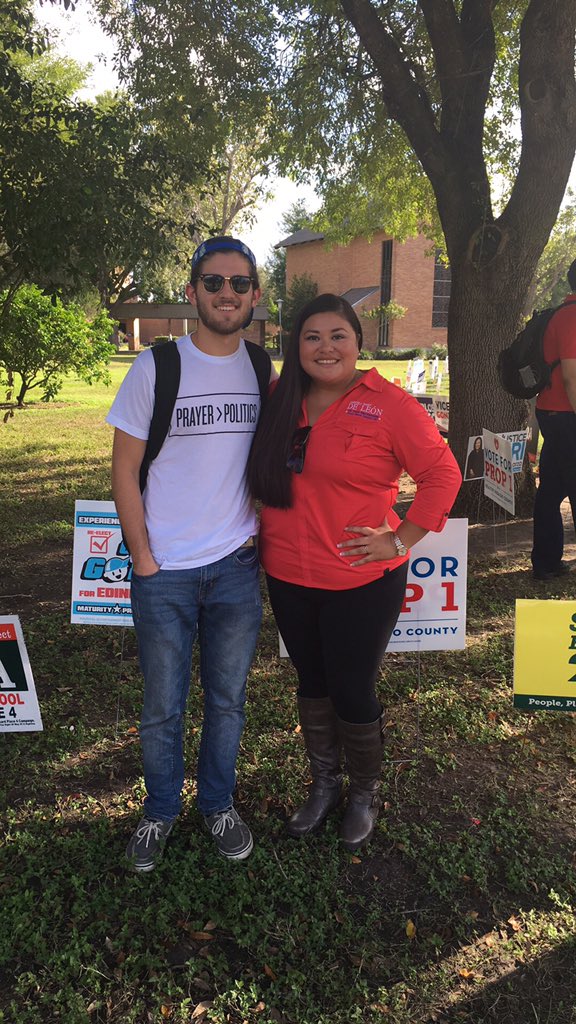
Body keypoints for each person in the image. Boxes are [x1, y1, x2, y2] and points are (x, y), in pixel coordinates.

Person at [247, 294, 462, 851]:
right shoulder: (280, 399)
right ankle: (324, 785)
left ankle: (362, 793)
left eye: (337, 335)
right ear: (296, 346)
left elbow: (442, 474)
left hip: (360, 581)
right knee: (312, 684)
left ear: (358, 343)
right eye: (312, 336)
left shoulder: (388, 404)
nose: (325, 347)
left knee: (351, 690)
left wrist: (399, 537)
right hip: (288, 574)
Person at [107, 236, 274, 872]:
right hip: (164, 570)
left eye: (238, 284)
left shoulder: (262, 371)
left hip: (235, 567)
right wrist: (143, 556)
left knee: (227, 700)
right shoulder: (156, 368)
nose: (226, 293)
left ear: (255, 296)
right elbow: (124, 471)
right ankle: (158, 810)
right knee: (162, 703)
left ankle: (217, 804)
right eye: (213, 282)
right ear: (192, 291)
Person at [531, 259, 576, 581]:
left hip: (554, 412)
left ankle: (546, 562)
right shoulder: (572, 318)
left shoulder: (564, 314)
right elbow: (573, 378)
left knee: (551, 490)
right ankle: (545, 561)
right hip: (565, 414)